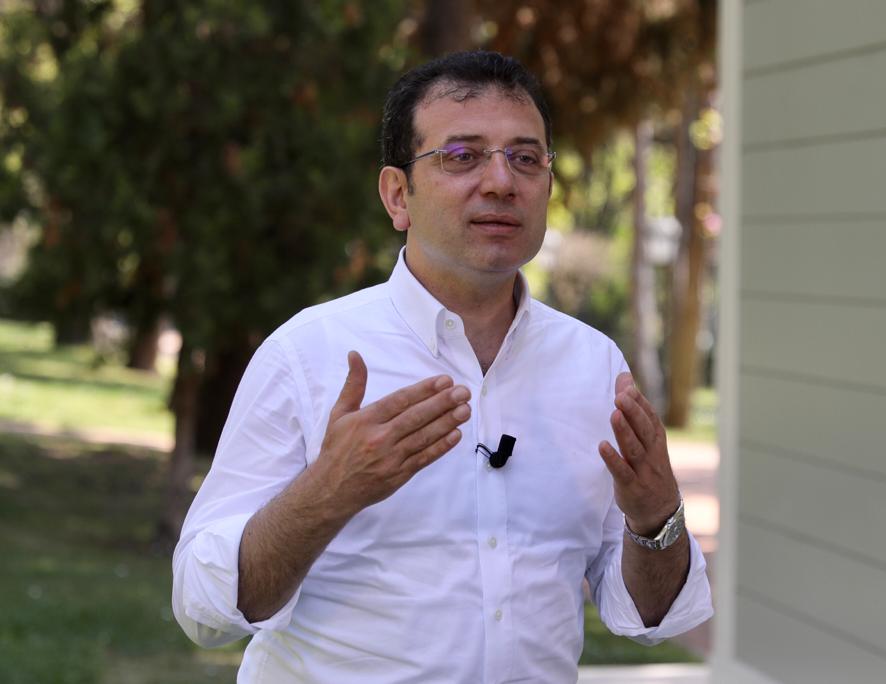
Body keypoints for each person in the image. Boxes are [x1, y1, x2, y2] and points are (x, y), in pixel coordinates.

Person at [172, 50, 712, 683]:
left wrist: (657, 518)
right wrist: (328, 493)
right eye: (462, 156)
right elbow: (203, 610)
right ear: (398, 195)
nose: (501, 181)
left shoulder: (594, 366)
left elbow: (646, 613)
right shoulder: (309, 354)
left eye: (526, 158)